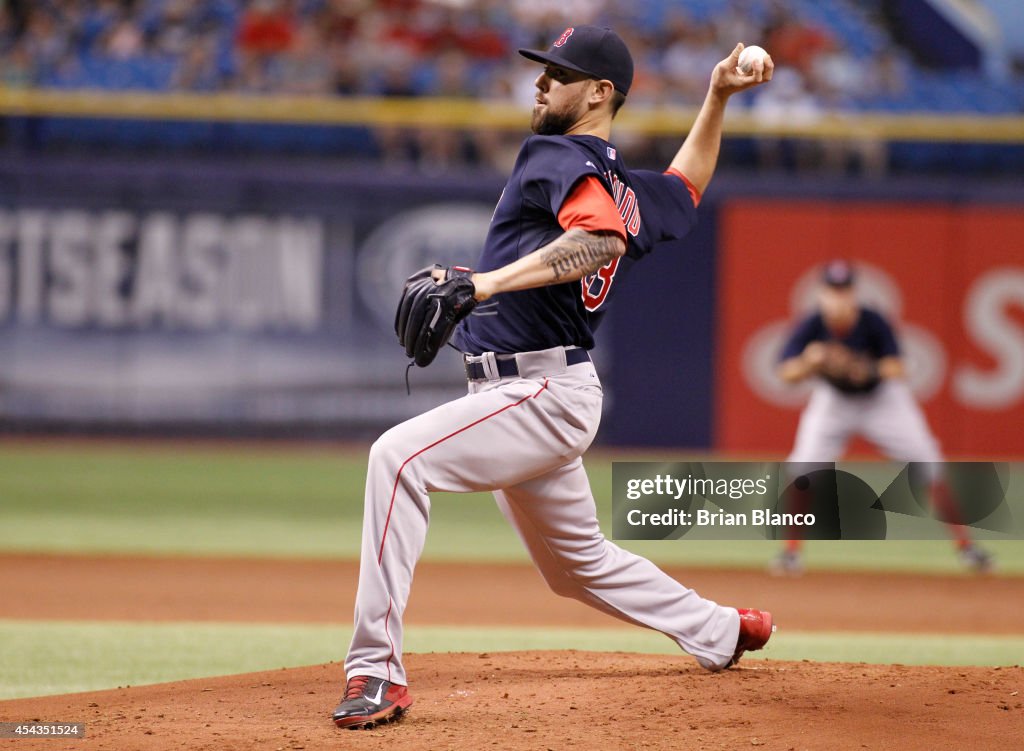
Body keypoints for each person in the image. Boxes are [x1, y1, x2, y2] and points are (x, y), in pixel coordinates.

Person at [332, 25, 776, 730]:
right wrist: (717, 96)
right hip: (541, 391)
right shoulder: (619, 182)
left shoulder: (558, 154)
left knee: (396, 458)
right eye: (542, 71)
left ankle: (375, 670)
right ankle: (721, 628)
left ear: (600, 93)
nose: (540, 83)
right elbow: (686, 188)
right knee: (576, 566)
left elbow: (596, 238)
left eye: (557, 75)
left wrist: (484, 287)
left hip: (538, 390)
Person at [771, 259, 993, 575]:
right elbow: (785, 373)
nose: (839, 296)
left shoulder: (872, 321)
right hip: (834, 401)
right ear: (821, 293)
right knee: (802, 467)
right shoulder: (813, 325)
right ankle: (790, 553)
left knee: (926, 461)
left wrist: (867, 369)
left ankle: (967, 548)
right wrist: (810, 360)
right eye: (833, 290)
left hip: (882, 400)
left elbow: (898, 367)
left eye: (845, 289)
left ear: (854, 292)